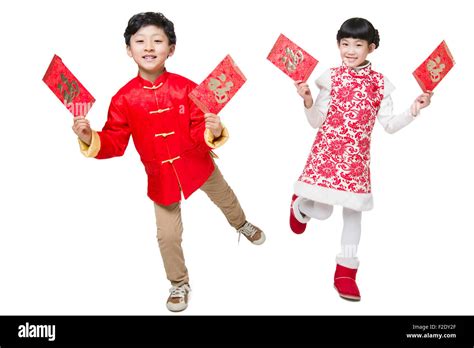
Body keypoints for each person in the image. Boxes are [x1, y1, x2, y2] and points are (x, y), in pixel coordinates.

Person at [72, 12, 265, 312]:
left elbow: (199, 124)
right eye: (140, 41)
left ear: (171, 49)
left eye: (157, 41)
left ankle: (241, 224)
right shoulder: (123, 99)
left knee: (225, 197)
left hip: (197, 162)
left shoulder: (187, 87)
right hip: (160, 176)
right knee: (167, 235)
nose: (149, 47)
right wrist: (88, 136)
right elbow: (114, 141)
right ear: (128, 49)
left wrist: (212, 131)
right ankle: (178, 282)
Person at [290, 17, 432, 301]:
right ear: (338, 45)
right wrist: (307, 100)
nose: (350, 50)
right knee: (325, 211)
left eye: (358, 44)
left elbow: (389, 125)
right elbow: (316, 121)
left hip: (356, 162)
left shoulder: (380, 84)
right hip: (326, 157)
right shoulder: (330, 78)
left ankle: (345, 273)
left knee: (353, 214)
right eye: (345, 44)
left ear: (372, 47)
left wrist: (415, 109)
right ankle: (301, 205)